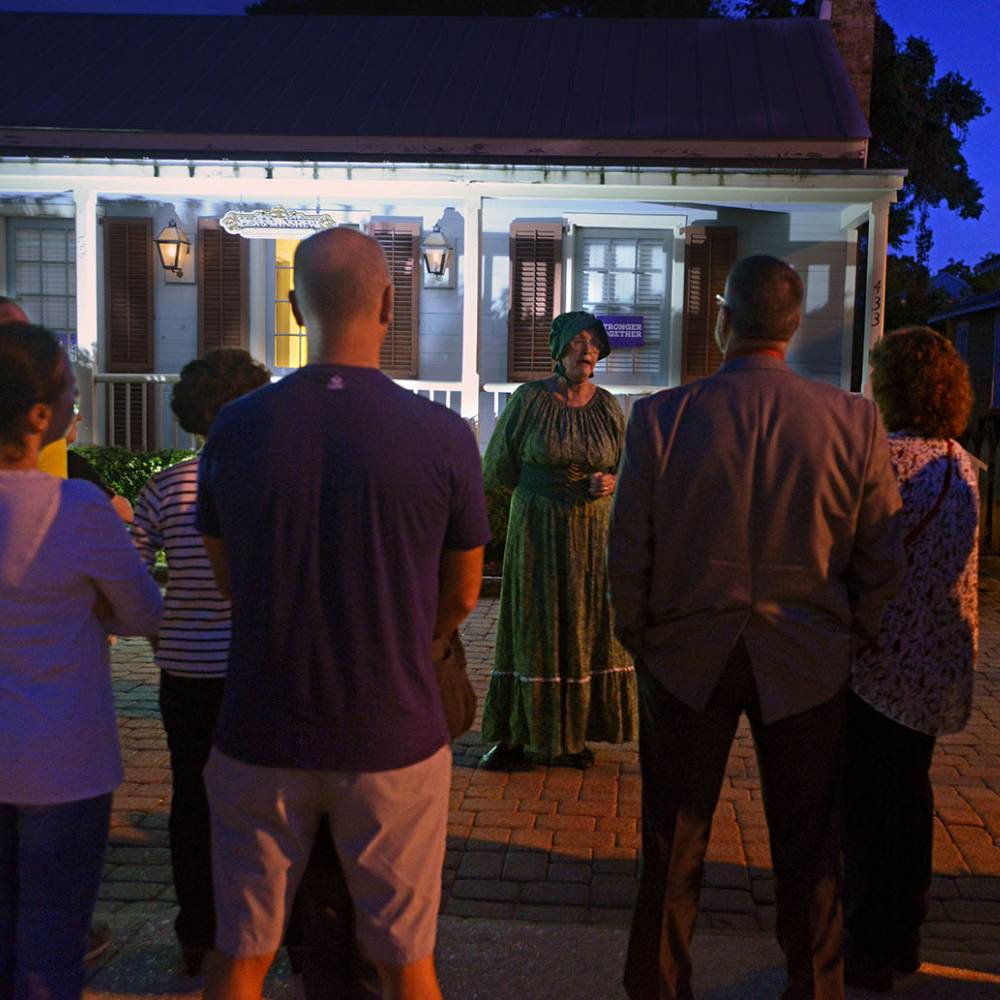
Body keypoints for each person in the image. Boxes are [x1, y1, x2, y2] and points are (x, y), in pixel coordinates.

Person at [196, 227, 490, 1000]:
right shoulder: (442, 435)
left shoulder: (236, 427)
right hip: (392, 732)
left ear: (296, 306)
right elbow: (461, 595)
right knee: (405, 962)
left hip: (260, 726)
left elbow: (231, 582)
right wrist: (402, 636)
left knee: (243, 954)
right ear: (390, 303)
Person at [608, 255, 904, 1000]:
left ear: (723, 318)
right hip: (807, 658)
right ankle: (815, 988)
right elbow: (880, 549)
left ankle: (658, 987)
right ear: (795, 324)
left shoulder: (662, 416)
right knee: (809, 847)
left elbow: (627, 547)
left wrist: (637, 632)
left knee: (672, 844)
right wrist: (853, 634)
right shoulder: (852, 419)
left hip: (685, 655)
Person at [0, 323, 162, 998]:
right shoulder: (77, 507)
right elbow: (144, 613)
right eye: (70, 390)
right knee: (49, 944)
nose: (77, 403)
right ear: (40, 415)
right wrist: (89, 606)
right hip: (61, 759)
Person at [842, 327, 979, 992]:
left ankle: (867, 945)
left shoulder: (884, 461)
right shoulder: (964, 464)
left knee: (867, 809)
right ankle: (905, 934)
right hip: (934, 663)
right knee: (910, 797)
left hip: (878, 663)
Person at [130, 348, 270, 977]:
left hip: (183, 668)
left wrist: (161, 628)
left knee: (192, 798)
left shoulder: (165, 485)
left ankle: (198, 933)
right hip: (252, 665)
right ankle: (259, 931)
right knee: (261, 804)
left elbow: (129, 574)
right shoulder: (268, 479)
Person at [478, 311, 638, 771]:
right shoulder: (530, 400)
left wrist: (609, 481)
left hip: (591, 532)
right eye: (575, 342)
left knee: (583, 622)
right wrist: (544, 488)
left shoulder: (608, 406)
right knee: (533, 620)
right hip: (539, 527)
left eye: (592, 343)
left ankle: (572, 735)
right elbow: (499, 468)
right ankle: (513, 736)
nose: (584, 351)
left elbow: (627, 466)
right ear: (558, 349)